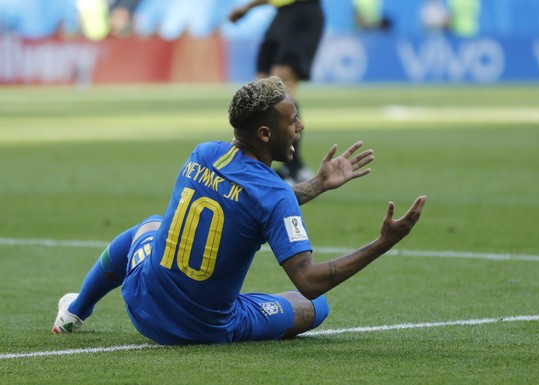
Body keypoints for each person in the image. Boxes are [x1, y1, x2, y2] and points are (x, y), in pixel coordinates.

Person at [52, 76, 427, 344]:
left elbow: (247, 201)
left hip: (142, 304)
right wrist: (382, 243)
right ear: (265, 134)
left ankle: (75, 311)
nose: (300, 126)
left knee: (148, 227)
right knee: (317, 308)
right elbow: (309, 283)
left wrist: (316, 184)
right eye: (292, 120)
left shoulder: (204, 153)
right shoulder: (275, 195)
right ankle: (245, 310)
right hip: (203, 331)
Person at [228, 0, 325, 185]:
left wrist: (246, 7)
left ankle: (292, 167)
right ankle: (259, 166)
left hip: (304, 10)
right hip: (281, 13)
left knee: (282, 86)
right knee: (261, 89)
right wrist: (246, 8)